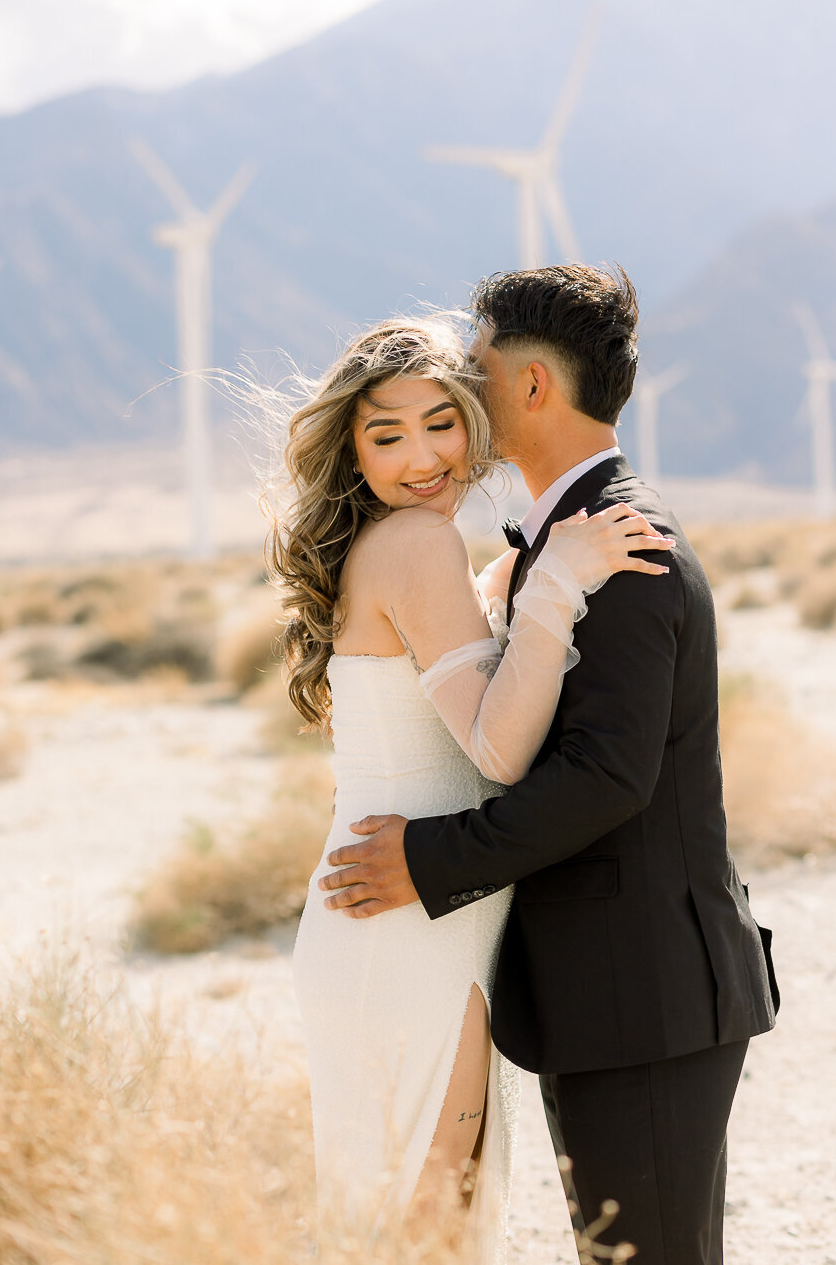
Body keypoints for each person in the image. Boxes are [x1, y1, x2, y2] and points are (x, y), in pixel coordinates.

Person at [319, 266, 780, 1265]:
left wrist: (431, 860)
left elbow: (607, 776)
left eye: (476, 374)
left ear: (530, 388)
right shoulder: (560, 542)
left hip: (645, 996)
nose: (460, 397)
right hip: (603, 993)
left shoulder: (622, 543)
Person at [266, 313, 673, 1260]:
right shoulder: (413, 542)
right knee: (428, 1221)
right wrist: (557, 587)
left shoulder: (408, 545)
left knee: (421, 1214)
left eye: (440, 422)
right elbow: (495, 752)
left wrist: (507, 590)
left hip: (411, 906)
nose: (421, 457)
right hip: (404, 920)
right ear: (349, 448)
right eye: (386, 434)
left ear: (474, 418)